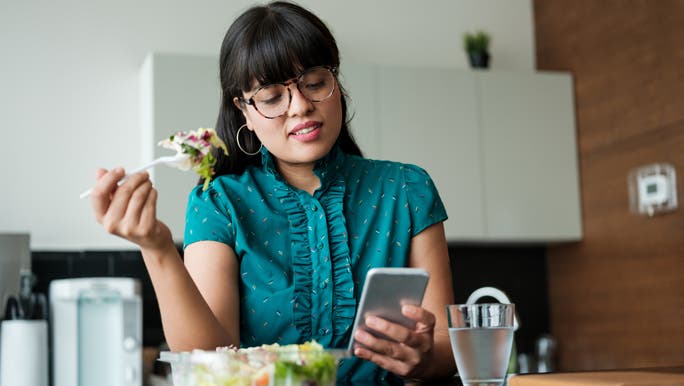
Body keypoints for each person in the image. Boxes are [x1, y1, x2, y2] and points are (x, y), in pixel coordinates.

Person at [89, 1, 455, 382]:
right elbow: (206, 358)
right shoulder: (219, 201)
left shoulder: (407, 189)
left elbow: (445, 346)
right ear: (244, 110)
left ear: (337, 83)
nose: (300, 106)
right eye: (271, 97)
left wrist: (423, 358)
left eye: (315, 83)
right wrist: (157, 247)